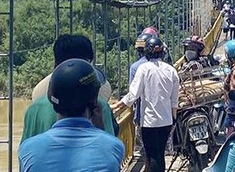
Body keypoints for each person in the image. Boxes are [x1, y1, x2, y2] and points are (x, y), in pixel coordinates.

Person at [18, 59, 124, 171]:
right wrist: (101, 132)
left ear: (51, 100)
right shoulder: (114, 147)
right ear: (95, 102)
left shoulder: (27, 150)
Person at [23, 35, 116, 141]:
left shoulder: (35, 109)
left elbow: (25, 153)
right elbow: (110, 149)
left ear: (55, 65)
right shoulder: (98, 107)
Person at [112, 37, 180, 172]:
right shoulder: (171, 70)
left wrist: (115, 106)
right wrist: (173, 118)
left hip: (149, 122)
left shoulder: (143, 69)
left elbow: (132, 95)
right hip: (166, 121)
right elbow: (174, 101)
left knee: (151, 155)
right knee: (160, 154)